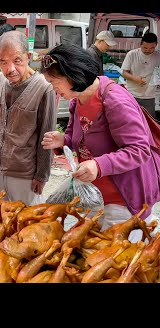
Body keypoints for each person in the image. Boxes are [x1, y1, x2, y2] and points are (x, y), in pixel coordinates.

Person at [40, 43, 160, 242]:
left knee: (116, 262)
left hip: (124, 197)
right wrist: (63, 141)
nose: (52, 88)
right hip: (97, 195)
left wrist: (98, 164)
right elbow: (78, 138)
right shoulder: (77, 100)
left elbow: (139, 149)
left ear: (73, 75)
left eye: (54, 81)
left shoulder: (114, 101)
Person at [0, 31, 56, 205]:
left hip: (25, 173)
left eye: (17, 60)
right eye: (3, 62)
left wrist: (41, 175)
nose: (10, 68)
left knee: (26, 224)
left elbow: (47, 135)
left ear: (28, 57)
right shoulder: (0, 80)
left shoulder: (44, 87)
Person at [121, 32, 160, 117]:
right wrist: (135, 79)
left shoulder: (158, 56)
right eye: (145, 48)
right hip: (131, 93)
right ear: (140, 44)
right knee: (130, 118)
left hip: (149, 96)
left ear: (156, 45)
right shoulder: (132, 54)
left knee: (149, 120)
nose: (148, 50)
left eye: (152, 48)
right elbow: (124, 73)